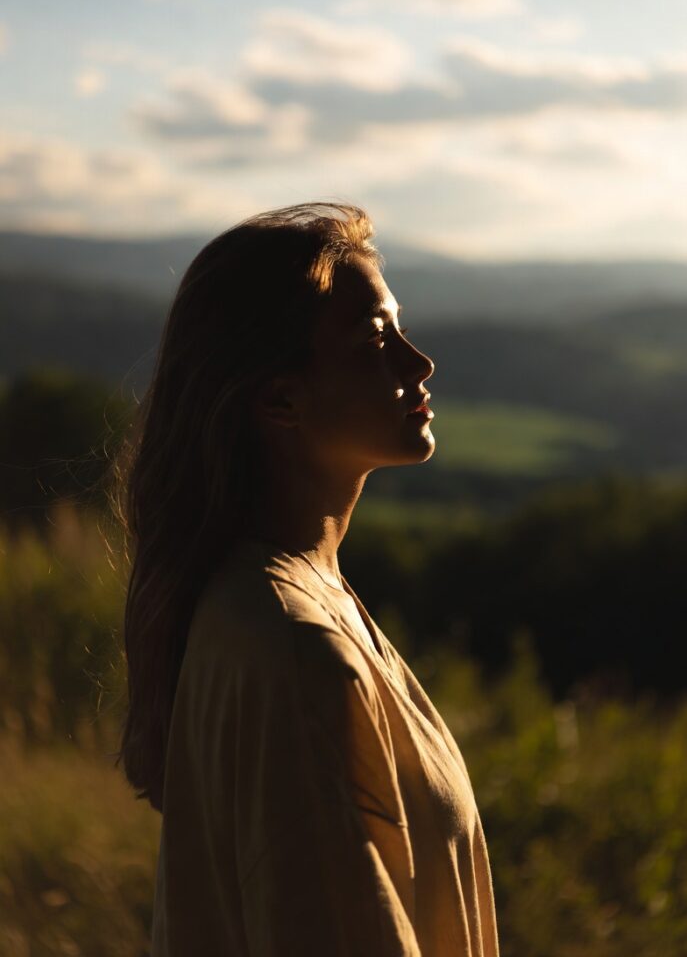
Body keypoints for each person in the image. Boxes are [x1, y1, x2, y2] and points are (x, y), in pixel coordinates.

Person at [111, 202, 500, 956]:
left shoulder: (287, 601)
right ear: (279, 398)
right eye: (375, 341)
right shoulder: (294, 645)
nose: (417, 365)